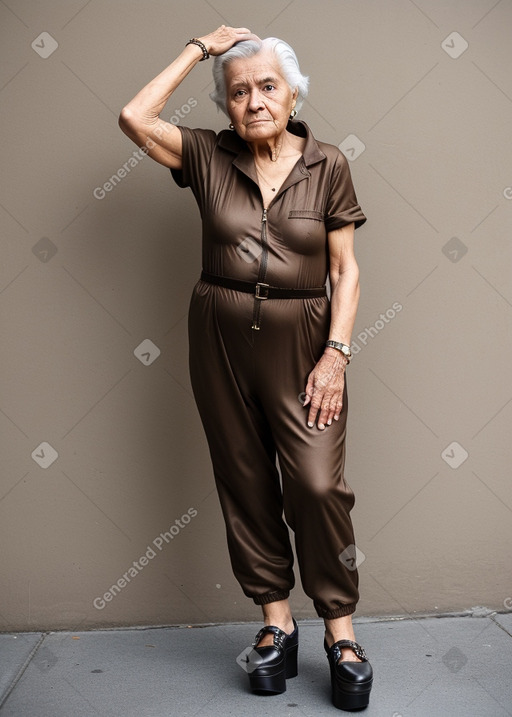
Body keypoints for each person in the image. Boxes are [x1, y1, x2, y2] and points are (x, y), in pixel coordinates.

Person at [119, 25, 373, 711]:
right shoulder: (204, 153)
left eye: (267, 86)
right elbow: (133, 117)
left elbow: (346, 272)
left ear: (293, 92)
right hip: (221, 333)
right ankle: (275, 625)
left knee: (318, 485)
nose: (254, 101)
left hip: (305, 338)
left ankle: (340, 633)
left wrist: (336, 356)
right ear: (225, 105)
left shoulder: (328, 165)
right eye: (238, 92)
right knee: (244, 475)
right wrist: (197, 49)